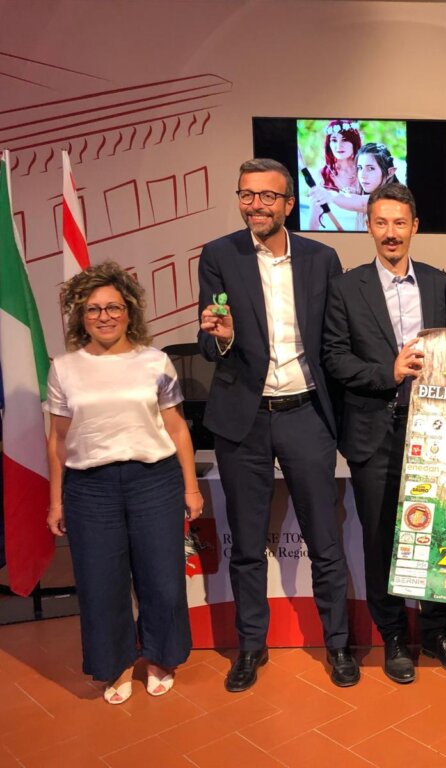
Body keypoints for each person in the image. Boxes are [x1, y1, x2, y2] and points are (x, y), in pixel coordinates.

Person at [198, 158, 358, 692]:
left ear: (289, 204)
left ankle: (338, 644)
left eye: (268, 196)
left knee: (324, 540)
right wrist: (220, 337)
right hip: (243, 420)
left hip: (306, 414)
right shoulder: (219, 255)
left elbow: (335, 339)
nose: (256, 205)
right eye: (247, 195)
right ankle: (250, 647)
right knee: (246, 544)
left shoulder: (321, 258)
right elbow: (208, 342)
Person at [322, 183, 446, 684]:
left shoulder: (438, 282)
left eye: (400, 223)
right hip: (374, 435)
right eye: (382, 223)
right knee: (382, 539)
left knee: (438, 533)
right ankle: (392, 636)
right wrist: (385, 373)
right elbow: (334, 357)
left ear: (415, 227)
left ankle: (436, 634)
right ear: (368, 225)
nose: (391, 233)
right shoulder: (346, 287)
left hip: (435, 432)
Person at [45, 261, 201, 704]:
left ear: (129, 311)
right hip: (89, 489)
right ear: (81, 316)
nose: (105, 316)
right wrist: (56, 501)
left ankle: (160, 657)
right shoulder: (64, 368)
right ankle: (114, 663)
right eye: (93, 309)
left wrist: (191, 488)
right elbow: (58, 440)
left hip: (154, 482)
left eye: (113, 307)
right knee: (101, 583)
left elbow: (178, 429)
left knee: (163, 579)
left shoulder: (155, 361)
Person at [309, 142, 398, 232]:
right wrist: (353, 195)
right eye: (360, 168)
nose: (362, 175)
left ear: (390, 172)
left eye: (371, 168)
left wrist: (330, 195)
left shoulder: (392, 197)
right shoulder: (365, 195)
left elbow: (362, 203)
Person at [308, 119, 362, 231]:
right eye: (334, 140)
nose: (339, 145)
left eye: (344, 140)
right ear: (329, 144)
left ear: (354, 142)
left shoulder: (364, 172)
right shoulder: (322, 175)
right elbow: (313, 225)